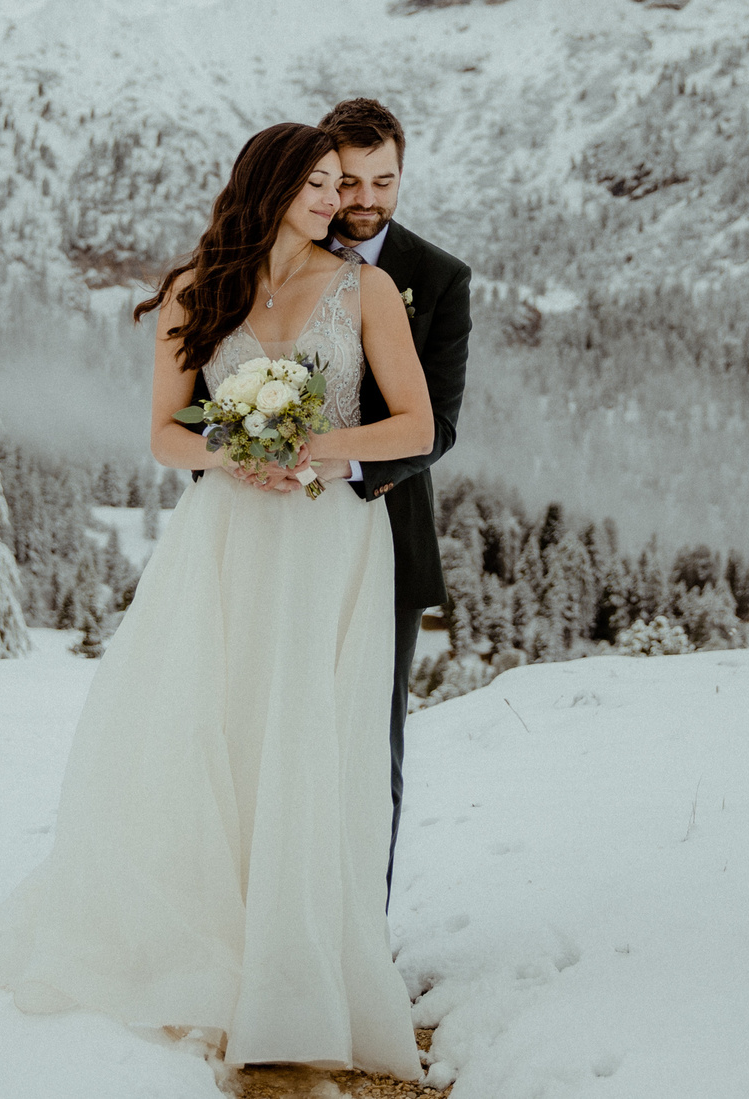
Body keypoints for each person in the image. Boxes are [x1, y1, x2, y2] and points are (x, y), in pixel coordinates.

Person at [0, 122, 433, 1080]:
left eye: (344, 185)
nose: (335, 199)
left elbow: (416, 423)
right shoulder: (195, 292)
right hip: (228, 536)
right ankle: (210, 944)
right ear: (270, 182)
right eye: (318, 181)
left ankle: (300, 963)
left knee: (305, 735)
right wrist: (237, 449)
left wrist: (318, 448)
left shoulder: (367, 290)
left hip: (331, 540)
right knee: (212, 727)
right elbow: (167, 437)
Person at [314, 98, 471, 903]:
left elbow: (437, 427)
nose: (367, 197)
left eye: (385, 178)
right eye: (349, 180)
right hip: (275, 531)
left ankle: (360, 937)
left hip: (386, 525)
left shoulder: (438, 277)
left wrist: (338, 465)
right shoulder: (281, 256)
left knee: (374, 744)